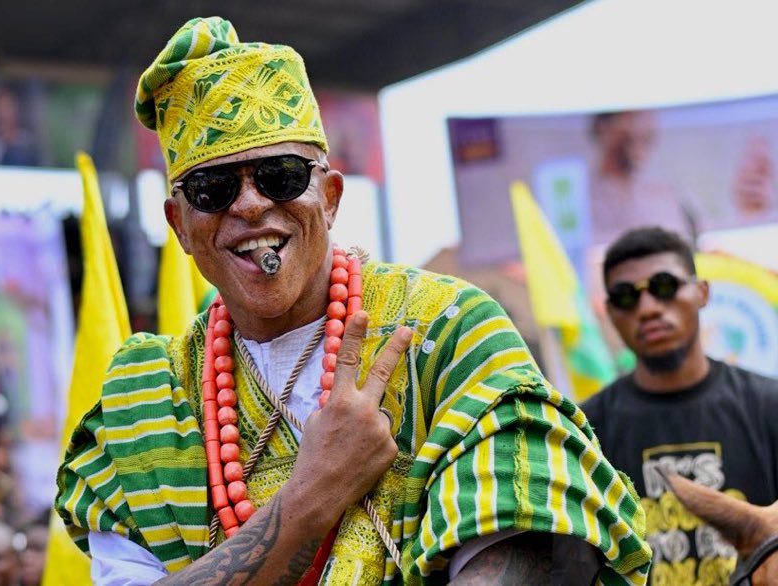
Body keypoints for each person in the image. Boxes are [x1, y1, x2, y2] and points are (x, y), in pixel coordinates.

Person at [56, 17, 652, 585]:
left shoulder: (446, 332)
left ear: (331, 196)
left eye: (281, 176)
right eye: (213, 189)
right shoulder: (146, 399)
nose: (249, 206)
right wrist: (316, 490)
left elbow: (531, 547)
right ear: (180, 226)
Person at [581, 226, 778, 585]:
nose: (649, 308)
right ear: (610, 313)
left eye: (665, 287)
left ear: (702, 292)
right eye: (626, 297)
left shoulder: (769, 407)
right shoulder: (584, 431)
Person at [589, 111, 695, 245]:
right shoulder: (584, 195)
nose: (640, 126)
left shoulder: (662, 193)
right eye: (632, 116)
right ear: (602, 128)